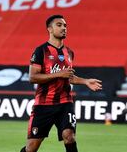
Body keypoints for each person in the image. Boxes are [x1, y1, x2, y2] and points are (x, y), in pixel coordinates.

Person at [20, 14, 102, 152]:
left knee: (69, 136)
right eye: (59, 25)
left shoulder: (69, 52)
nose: (64, 28)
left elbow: (68, 77)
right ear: (50, 29)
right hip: (44, 105)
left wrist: (85, 81)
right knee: (32, 147)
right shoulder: (41, 51)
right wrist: (58, 74)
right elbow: (33, 77)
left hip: (65, 103)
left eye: (65, 25)